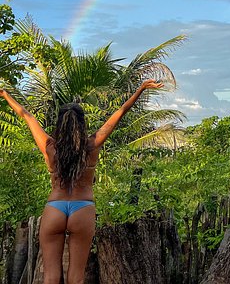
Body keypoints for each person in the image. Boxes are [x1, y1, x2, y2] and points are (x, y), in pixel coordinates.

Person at [0, 79, 163, 284]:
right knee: (76, 279)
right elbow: (120, 113)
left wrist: (6, 95)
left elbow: (27, 116)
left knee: (50, 277)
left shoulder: (50, 147)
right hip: (82, 209)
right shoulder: (92, 145)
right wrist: (140, 89)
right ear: (82, 123)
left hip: (55, 208)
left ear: (60, 123)